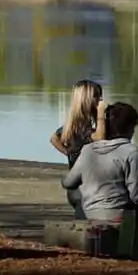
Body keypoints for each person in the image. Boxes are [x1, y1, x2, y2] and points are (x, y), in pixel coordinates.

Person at [61, 101, 138, 263]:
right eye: (133, 128)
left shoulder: (88, 150)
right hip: (119, 214)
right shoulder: (131, 151)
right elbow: (136, 196)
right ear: (129, 128)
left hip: (90, 212)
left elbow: (68, 183)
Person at [49, 79, 105, 220]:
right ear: (86, 100)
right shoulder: (81, 127)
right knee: (86, 226)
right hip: (83, 190)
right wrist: (100, 115)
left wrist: (69, 153)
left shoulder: (72, 125)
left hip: (78, 188)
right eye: (96, 96)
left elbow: (54, 138)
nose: (100, 100)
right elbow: (99, 138)